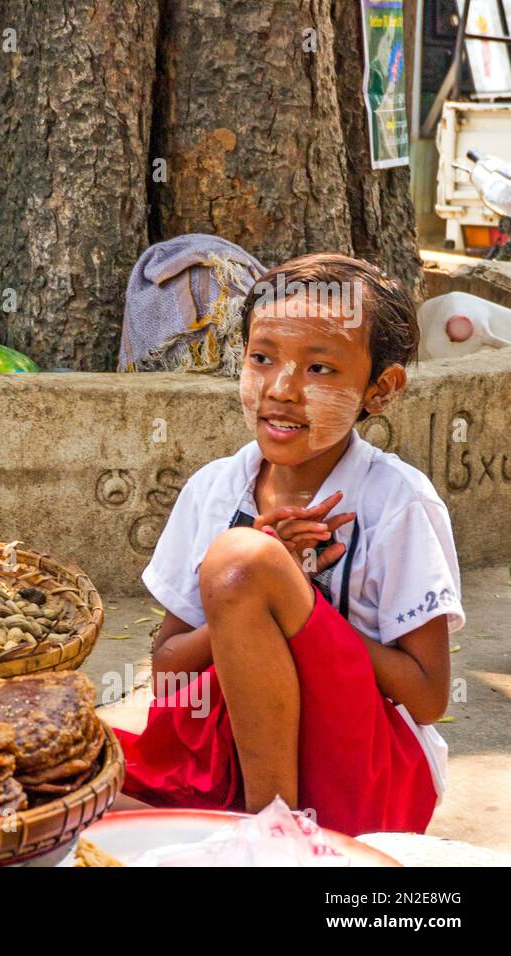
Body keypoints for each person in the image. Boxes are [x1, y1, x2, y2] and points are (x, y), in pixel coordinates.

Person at [115, 253, 462, 836]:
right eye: (261, 358)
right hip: (230, 754)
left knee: (242, 559)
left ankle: (272, 836)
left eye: (320, 369)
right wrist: (250, 599)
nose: (281, 389)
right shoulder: (213, 488)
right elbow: (169, 668)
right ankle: (248, 823)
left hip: (364, 773)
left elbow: (427, 697)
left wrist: (295, 598)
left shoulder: (396, 502)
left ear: (382, 388)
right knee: (48, 783)